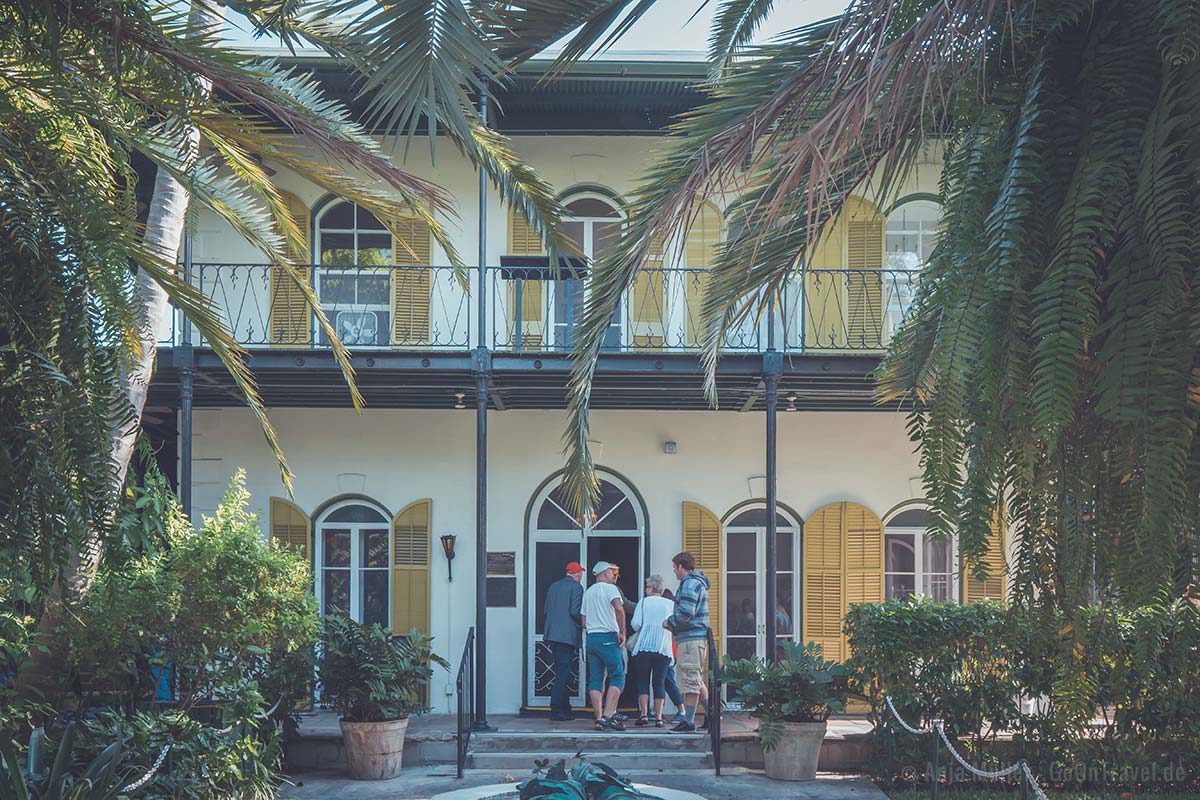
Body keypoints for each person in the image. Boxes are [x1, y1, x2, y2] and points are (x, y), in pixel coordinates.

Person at [663, 551, 710, 733]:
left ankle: (688, 722)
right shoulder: (694, 583)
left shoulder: (689, 584)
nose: (674, 572)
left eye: (675, 568)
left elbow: (685, 612)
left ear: (681, 567)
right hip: (693, 638)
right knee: (696, 679)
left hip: (691, 639)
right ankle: (712, 717)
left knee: (690, 680)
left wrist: (669, 622)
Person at [582, 561, 627, 731]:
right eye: (611, 572)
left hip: (592, 638)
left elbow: (584, 621)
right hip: (608, 637)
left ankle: (599, 717)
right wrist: (622, 632)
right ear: (604, 573)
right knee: (617, 675)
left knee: (596, 679)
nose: (613, 575)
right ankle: (608, 715)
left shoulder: (588, 592)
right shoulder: (610, 589)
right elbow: (619, 609)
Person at [543, 560, 585, 722]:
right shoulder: (576, 588)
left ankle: (565, 708)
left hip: (553, 635)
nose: (580, 576)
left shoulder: (553, 586)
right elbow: (575, 611)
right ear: (577, 574)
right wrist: (584, 623)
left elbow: (546, 610)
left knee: (563, 672)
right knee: (563, 674)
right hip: (567, 637)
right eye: (580, 574)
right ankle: (556, 709)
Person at [630, 574, 674, 727]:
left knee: (643, 681)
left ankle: (643, 715)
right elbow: (673, 624)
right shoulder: (669, 604)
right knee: (659, 682)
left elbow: (635, 624)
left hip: (644, 646)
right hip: (663, 646)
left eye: (647, 587)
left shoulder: (643, 603)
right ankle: (659, 717)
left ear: (651, 588)